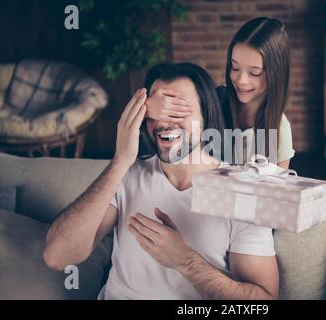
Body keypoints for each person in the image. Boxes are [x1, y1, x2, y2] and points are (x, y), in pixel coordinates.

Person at [43, 62, 279, 300]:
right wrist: (120, 160)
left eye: (178, 110)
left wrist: (184, 261)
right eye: (155, 112)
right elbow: (57, 257)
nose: (165, 124)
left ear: (206, 116)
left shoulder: (243, 192)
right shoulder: (125, 175)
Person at [144, 17, 295, 168]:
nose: (241, 80)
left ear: (276, 74)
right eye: (235, 68)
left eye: (254, 73)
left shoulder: (280, 129)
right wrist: (145, 108)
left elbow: (279, 188)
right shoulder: (215, 99)